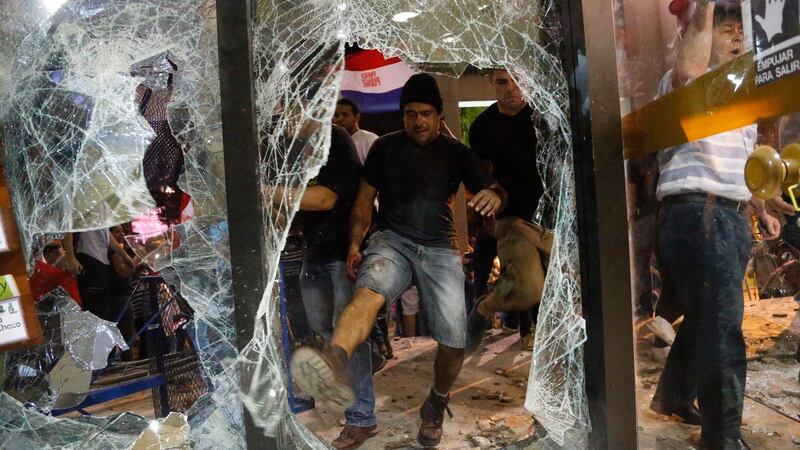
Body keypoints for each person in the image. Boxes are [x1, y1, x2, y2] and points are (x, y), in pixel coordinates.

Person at [291, 73, 506, 447]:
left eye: (425, 113)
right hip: (392, 241)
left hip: (439, 247)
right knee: (366, 295)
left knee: (454, 341)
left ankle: (436, 402)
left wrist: (495, 198)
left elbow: (493, 188)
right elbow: (362, 201)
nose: (418, 121)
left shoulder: (456, 153)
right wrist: (356, 243)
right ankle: (334, 359)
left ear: (439, 115)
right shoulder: (385, 148)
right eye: (409, 113)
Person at [647, 2, 781, 449]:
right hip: (698, 213)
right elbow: (687, 68)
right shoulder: (686, 83)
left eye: (741, 33)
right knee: (723, 327)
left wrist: (761, 210)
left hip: (727, 214)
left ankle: (672, 395)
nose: (737, 39)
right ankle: (721, 438)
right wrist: (704, 8)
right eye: (727, 30)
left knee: (706, 317)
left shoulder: (739, 101)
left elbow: (746, 168)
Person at [273, 125, 376, 449]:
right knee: (323, 334)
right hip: (312, 254)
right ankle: (347, 402)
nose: (286, 116)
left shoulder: (336, 140)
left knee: (349, 336)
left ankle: (362, 418)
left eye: (291, 108)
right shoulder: (289, 145)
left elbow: (324, 199)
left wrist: (262, 191)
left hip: (343, 254)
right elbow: (289, 202)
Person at [464, 69, 552, 353]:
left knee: (558, 288)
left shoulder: (546, 118)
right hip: (512, 217)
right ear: (490, 82)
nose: (511, 89)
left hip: (553, 215)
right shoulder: (482, 127)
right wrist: (486, 214)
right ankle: (487, 309)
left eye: (517, 82)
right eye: (502, 82)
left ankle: (548, 339)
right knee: (527, 286)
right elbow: (480, 177)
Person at [63, 228, 135, 320]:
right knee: (95, 311)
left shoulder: (101, 219)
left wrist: (124, 255)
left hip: (100, 262)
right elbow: (67, 226)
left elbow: (106, 233)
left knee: (102, 309)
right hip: (87, 258)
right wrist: (70, 257)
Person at [29, 240, 82, 305]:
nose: (59, 257)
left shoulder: (62, 273)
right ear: (48, 254)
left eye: (61, 254)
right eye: (57, 254)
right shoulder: (38, 270)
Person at [333, 98, 379, 165]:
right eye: (336, 115)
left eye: (345, 115)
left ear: (357, 117)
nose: (339, 119)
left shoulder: (368, 138)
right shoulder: (331, 141)